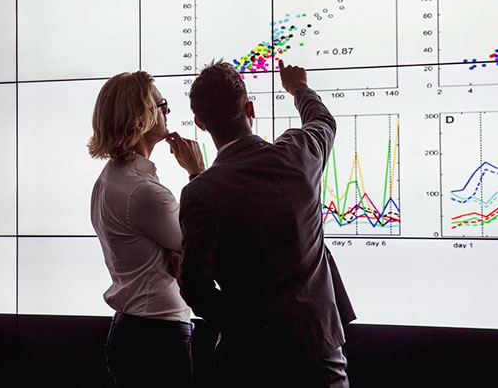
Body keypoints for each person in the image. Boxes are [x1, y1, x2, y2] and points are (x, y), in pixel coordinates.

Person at [168, 60, 355, 388]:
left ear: (199, 122)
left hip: (248, 360)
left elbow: (195, 286)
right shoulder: (299, 153)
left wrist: (246, 324)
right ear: (250, 108)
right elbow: (323, 120)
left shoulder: (201, 192)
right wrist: (299, 88)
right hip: (318, 354)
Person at [88, 71, 204, 388]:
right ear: (140, 120)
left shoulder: (109, 179)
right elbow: (203, 244)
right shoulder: (143, 192)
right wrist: (198, 174)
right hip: (157, 338)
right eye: (160, 104)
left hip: (135, 331)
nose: (167, 110)